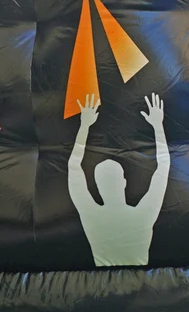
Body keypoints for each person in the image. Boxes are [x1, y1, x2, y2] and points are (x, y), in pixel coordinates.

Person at [67, 93, 170, 267]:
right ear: (124, 182)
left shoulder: (91, 215)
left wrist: (84, 125)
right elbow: (164, 166)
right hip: (140, 281)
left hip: (102, 282)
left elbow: (73, 166)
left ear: (98, 187)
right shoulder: (143, 214)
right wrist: (158, 127)